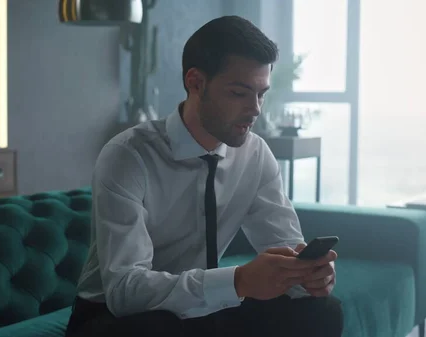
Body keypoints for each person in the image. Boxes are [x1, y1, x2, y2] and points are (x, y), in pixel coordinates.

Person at [65, 15, 343, 337]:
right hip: (113, 317)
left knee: (319, 312)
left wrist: (307, 275)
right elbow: (126, 291)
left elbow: (284, 246)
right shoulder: (128, 155)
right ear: (195, 83)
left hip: (204, 305)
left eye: (261, 93)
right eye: (239, 93)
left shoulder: (255, 154)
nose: (255, 109)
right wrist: (237, 281)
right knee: (159, 327)